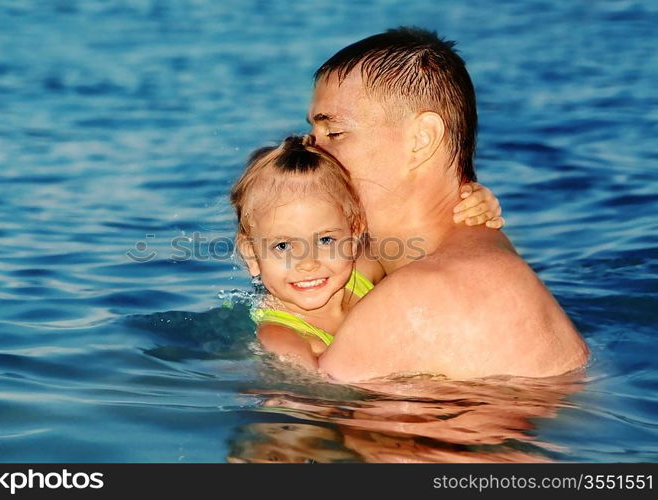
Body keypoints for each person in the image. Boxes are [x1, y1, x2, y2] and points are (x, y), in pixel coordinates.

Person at [308, 27, 589, 381]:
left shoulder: (415, 299)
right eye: (311, 136)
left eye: (334, 134)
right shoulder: (474, 249)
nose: (310, 153)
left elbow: (296, 422)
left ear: (421, 141)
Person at [230, 135, 503, 370]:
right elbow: (319, 398)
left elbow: (434, 239)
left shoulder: (363, 269)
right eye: (283, 246)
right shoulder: (282, 338)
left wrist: (471, 205)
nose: (308, 263)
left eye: (325, 240)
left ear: (355, 232)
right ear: (252, 255)